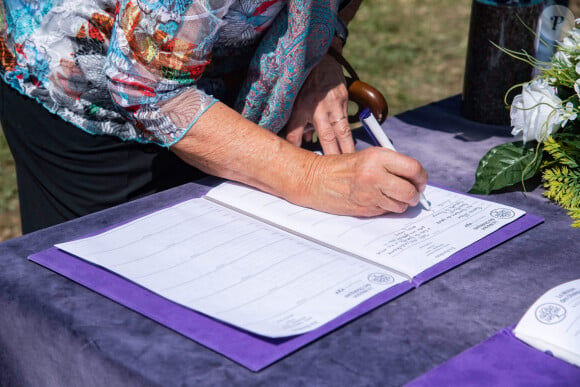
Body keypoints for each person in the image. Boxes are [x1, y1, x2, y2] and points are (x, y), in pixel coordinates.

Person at [0, 0, 428, 234]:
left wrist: (324, 53)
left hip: (201, 73)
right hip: (89, 98)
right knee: (97, 312)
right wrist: (310, 177)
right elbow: (146, 89)